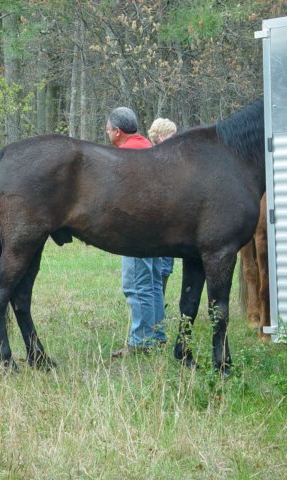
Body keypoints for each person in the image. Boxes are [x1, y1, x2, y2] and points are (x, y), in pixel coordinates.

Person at [107, 107, 167, 358]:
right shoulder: (148, 147)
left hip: (137, 229)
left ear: (118, 132)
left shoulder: (125, 157)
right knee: (153, 282)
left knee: (136, 283)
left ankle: (141, 342)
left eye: (108, 130)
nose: (107, 134)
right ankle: (157, 335)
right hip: (158, 228)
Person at [148, 118, 178, 295]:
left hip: (169, 222)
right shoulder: (155, 159)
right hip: (159, 222)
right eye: (171, 136)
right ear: (160, 136)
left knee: (165, 267)